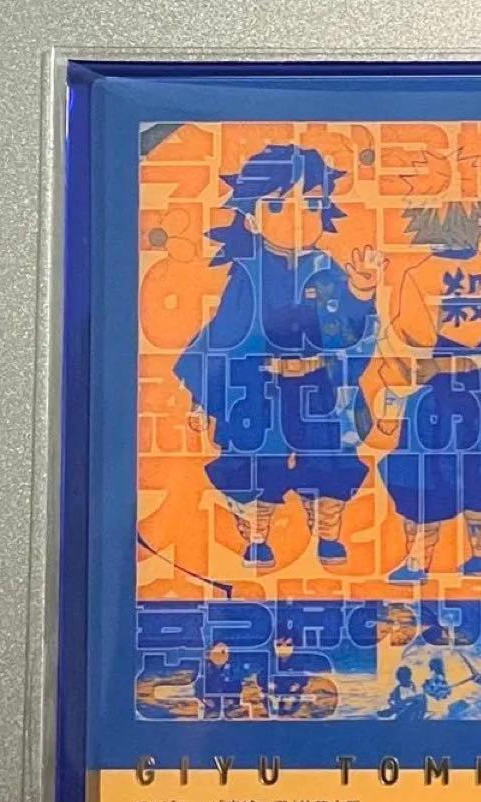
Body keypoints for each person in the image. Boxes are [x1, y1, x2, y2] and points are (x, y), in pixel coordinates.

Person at [174, 144, 385, 569]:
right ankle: (257, 537)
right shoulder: (248, 272)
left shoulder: (327, 268)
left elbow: (348, 333)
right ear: (252, 218)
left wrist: (361, 293)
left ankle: (328, 534)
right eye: (276, 205)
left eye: (311, 204)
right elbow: (225, 334)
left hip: (318, 385)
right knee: (255, 458)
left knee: (329, 459)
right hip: (259, 386)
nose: (296, 218)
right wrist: (203, 397)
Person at [374, 201, 481, 581]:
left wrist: (391, 404)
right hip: (479, 391)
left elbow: (404, 344)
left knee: (428, 474)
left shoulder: (419, 275)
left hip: (435, 392)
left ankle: (420, 562)